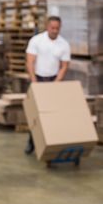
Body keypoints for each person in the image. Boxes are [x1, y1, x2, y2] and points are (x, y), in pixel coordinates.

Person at [24, 16, 70, 155]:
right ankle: (32, 142)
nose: (55, 31)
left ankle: (51, 144)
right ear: (47, 27)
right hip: (37, 78)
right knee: (36, 115)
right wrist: (34, 81)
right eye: (52, 28)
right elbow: (30, 62)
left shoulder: (64, 44)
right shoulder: (37, 41)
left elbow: (64, 66)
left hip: (53, 80)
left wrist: (56, 83)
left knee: (52, 115)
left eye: (57, 28)